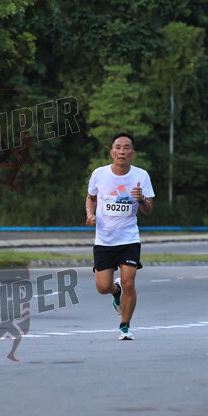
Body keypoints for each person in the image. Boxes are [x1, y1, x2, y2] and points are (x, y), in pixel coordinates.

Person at [86, 132, 154, 340]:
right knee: (102, 287)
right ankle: (115, 292)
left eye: (126, 148)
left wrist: (141, 199)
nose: (122, 151)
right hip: (104, 240)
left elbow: (149, 209)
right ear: (111, 152)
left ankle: (125, 326)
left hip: (129, 239)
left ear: (133, 153)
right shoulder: (99, 174)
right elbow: (91, 198)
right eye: (118, 147)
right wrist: (89, 214)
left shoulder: (141, 176)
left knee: (129, 283)